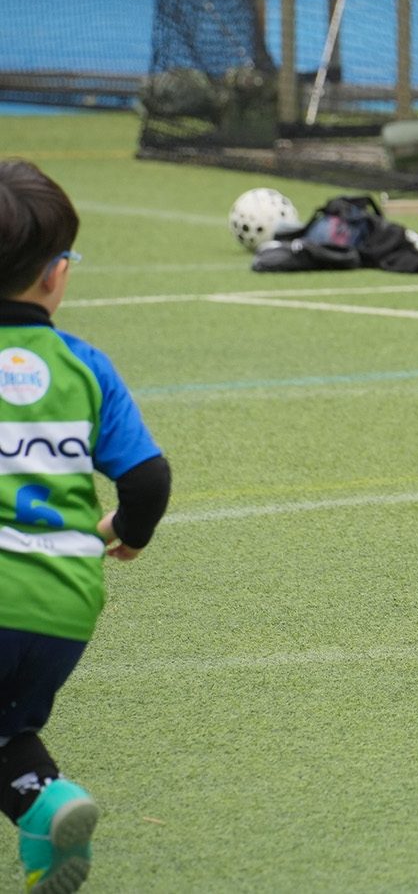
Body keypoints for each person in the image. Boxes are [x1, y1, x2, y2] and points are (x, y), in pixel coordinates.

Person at [0, 161, 172, 893]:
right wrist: (127, 531)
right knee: (5, 729)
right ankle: (46, 805)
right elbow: (148, 478)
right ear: (55, 275)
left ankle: (45, 805)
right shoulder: (84, 366)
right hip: (66, 603)